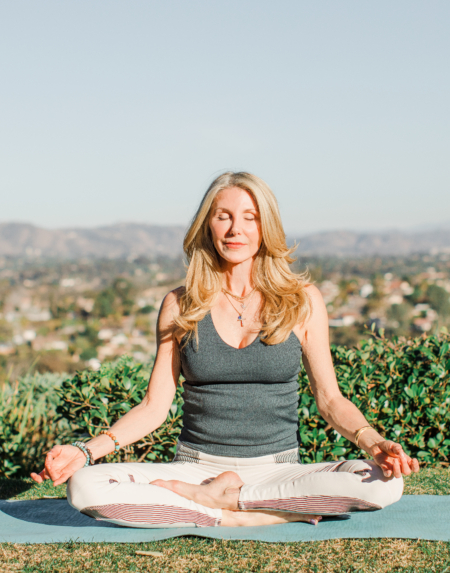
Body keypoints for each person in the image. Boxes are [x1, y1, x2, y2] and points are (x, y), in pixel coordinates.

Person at [31, 171, 419, 529]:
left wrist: (374, 443)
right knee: (85, 486)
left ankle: (224, 506)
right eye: (223, 216)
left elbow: (330, 400)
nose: (236, 229)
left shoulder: (303, 301)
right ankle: (265, 513)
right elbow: (154, 407)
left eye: (250, 217)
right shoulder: (180, 304)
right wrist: (86, 451)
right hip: (196, 469)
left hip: (277, 470)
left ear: (266, 226)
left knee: (384, 485)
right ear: (208, 226)